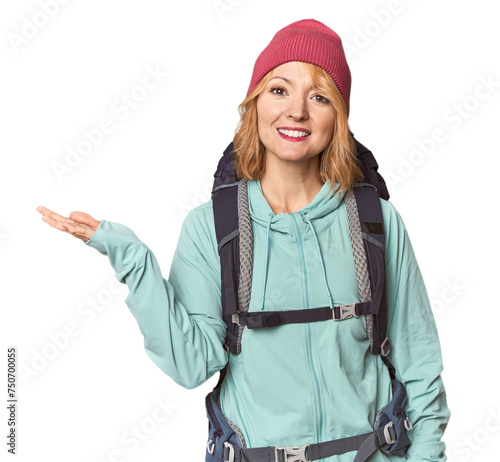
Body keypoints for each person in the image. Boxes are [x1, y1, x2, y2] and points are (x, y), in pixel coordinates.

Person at [36, 18, 450, 462]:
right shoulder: (211, 227)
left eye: (319, 96)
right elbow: (191, 364)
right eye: (279, 90)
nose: (297, 111)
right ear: (254, 105)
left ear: (339, 117)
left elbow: (420, 364)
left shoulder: (376, 222)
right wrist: (131, 257)